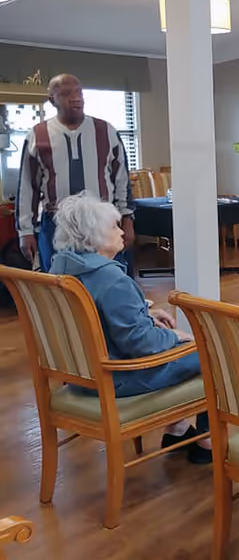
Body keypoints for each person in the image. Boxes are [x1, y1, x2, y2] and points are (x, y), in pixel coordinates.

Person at [49, 192, 210, 464]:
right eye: (113, 226)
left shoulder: (60, 269)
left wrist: (143, 311)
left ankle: (177, 429)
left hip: (79, 377)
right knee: (210, 351)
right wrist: (175, 336)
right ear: (94, 236)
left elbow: (96, 313)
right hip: (116, 378)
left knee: (184, 345)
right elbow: (141, 343)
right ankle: (206, 442)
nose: (122, 231)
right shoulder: (111, 279)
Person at [15, 74, 134, 274]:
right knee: (59, 284)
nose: (76, 97)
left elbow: (122, 180)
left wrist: (127, 220)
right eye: (66, 93)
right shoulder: (38, 135)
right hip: (56, 224)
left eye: (79, 92)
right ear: (52, 99)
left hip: (102, 223)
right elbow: (27, 187)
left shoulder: (106, 131)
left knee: (108, 277)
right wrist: (25, 231)